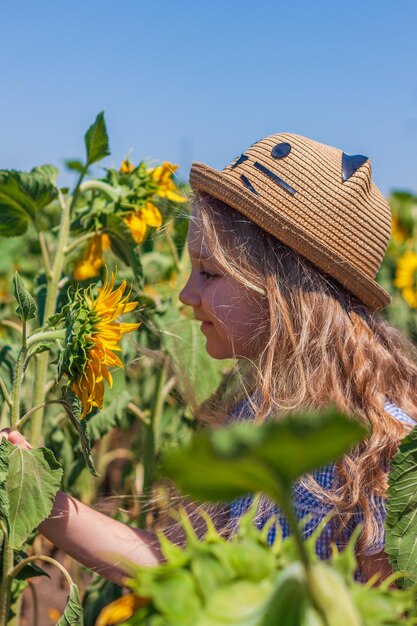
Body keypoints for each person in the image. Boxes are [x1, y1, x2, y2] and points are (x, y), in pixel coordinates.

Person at [2, 132, 417, 585]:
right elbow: (172, 566)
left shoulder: (381, 454)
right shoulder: (253, 413)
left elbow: (389, 608)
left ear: (285, 292)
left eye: (209, 272)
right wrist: (39, 499)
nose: (186, 293)